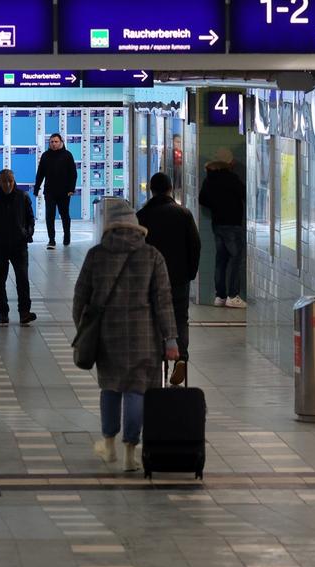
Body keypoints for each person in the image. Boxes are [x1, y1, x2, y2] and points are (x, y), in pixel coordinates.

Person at [73, 198, 179, 472]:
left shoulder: (96, 255)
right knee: (136, 390)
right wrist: (170, 339)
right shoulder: (152, 256)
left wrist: (83, 328)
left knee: (110, 388)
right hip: (145, 336)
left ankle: (108, 446)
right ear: (136, 228)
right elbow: (163, 301)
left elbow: (80, 297)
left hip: (108, 334)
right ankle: (131, 452)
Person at [137, 172, 201, 386]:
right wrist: (190, 272)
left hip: (150, 279)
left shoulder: (142, 216)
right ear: (170, 189)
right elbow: (195, 245)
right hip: (178, 277)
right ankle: (180, 356)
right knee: (180, 317)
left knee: (153, 318)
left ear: (151, 190)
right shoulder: (183, 214)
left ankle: (157, 359)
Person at [0, 169, 37, 326]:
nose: (7, 184)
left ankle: (24, 312)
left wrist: (27, 233)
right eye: (4, 181)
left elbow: (30, 219)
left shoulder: (22, 197)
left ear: (14, 181)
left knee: (23, 280)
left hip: (19, 246)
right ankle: (3, 312)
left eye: (10, 181)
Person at [198, 148, 248, 309]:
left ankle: (220, 296)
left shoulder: (209, 179)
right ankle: (233, 295)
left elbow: (203, 200)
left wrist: (217, 206)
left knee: (221, 260)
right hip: (232, 224)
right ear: (228, 163)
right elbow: (244, 194)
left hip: (217, 224)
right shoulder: (232, 179)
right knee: (236, 259)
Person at [33, 133, 79, 248]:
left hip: (64, 192)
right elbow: (40, 174)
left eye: (56, 141)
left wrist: (71, 189)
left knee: (64, 215)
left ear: (61, 142)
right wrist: (36, 187)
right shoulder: (45, 156)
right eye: (52, 142)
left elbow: (73, 174)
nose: (54, 144)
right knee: (50, 216)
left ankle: (67, 236)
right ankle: (51, 239)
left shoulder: (67, 155)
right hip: (49, 191)